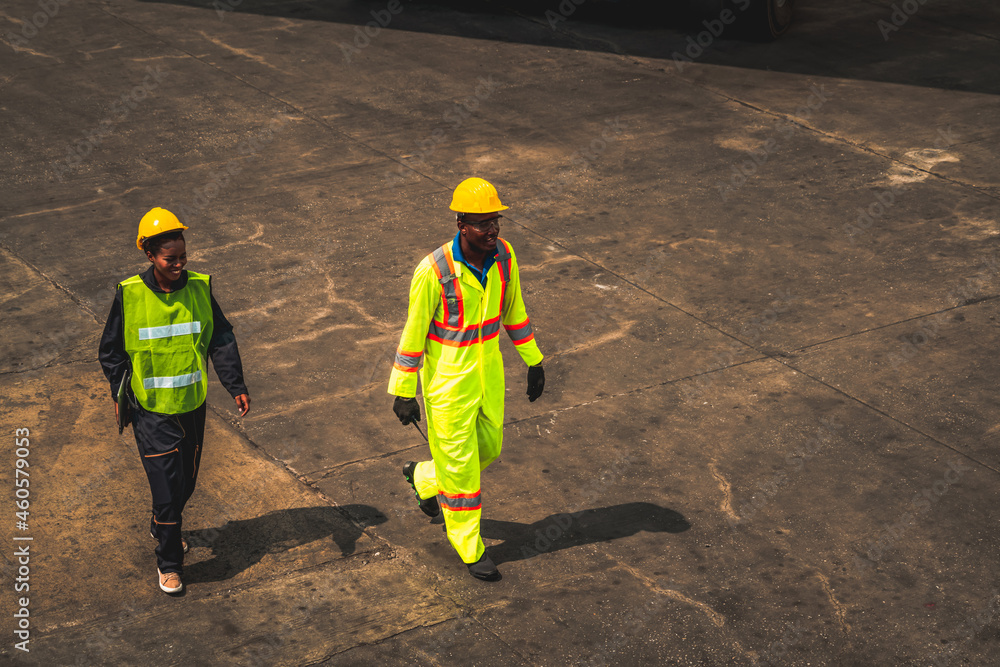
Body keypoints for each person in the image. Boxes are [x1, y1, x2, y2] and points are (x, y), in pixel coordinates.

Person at [388, 178, 545, 582]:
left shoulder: (505, 257)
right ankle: (469, 545)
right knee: (461, 470)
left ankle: (423, 477)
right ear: (461, 224)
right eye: (482, 223)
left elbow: (514, 311)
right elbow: (413, 333)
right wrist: (404, 390)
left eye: (496, 221)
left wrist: (533, 360)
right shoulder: (434, 271)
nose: (492, 230)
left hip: (488, 376)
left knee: (487, 448)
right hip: (448, 385)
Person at [98, 207, 250, 594]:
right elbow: (111, 351)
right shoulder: (129, 294)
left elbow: (221, 337)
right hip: (151, 412)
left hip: (192, 406)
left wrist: (235, 385)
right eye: (170, 259)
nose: (179, 264)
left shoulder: (200, 287)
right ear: (150, 256)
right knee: (166, 491)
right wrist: (123, 392)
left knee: (184, 485)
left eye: (182, 256)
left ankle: (161, 523)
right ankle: (169, 562)